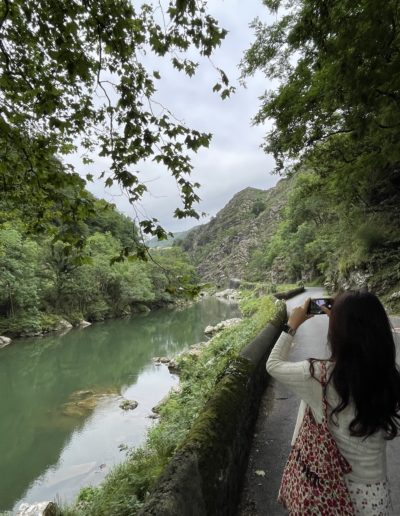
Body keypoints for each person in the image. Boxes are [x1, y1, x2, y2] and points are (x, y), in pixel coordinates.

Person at [266, 291, 400, 515]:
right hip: (376, 498)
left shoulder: (319, 375)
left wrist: (292, 325)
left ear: (338, 333)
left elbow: (273, 364)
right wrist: (346, 324)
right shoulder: (387, 376)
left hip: (330, 495)